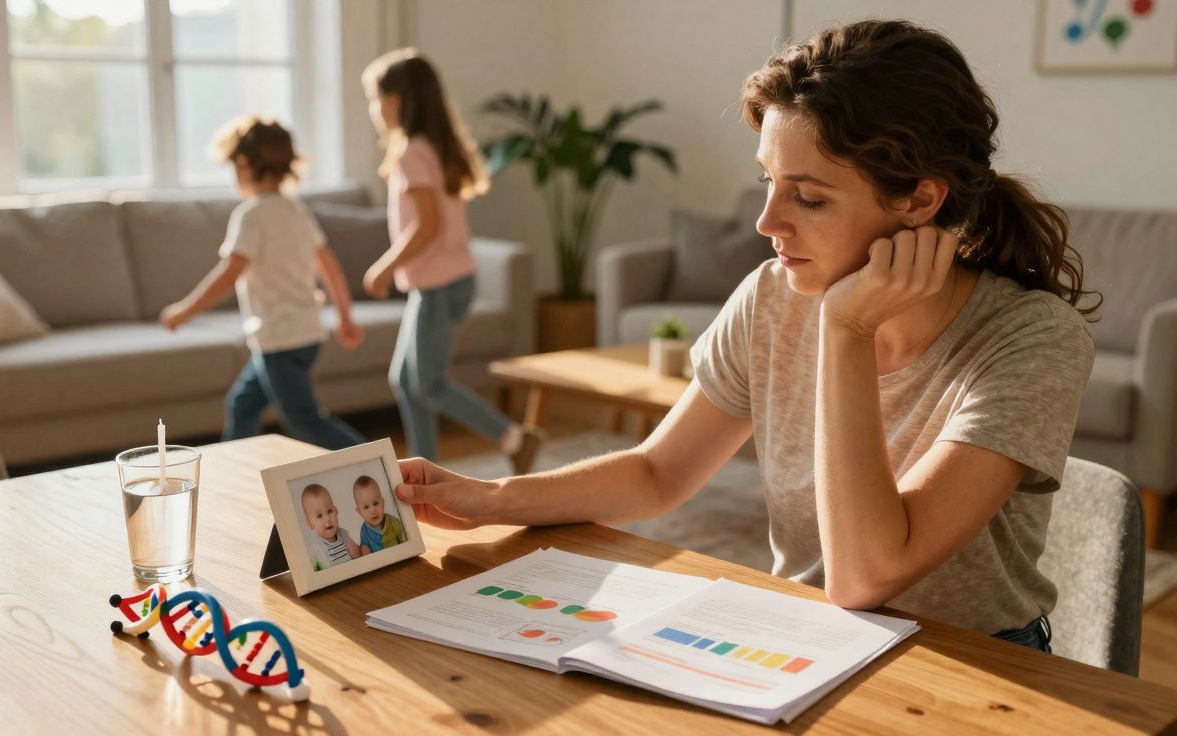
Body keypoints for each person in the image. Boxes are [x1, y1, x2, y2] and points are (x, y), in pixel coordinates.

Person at [388, 20, 1099, 653]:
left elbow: (866, 574)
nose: (766, 223)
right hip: (800, 642)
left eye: (810, 197)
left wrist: (846, 329)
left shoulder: (1030, 340)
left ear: (920, 200)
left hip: (976, 664)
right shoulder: (770, 297)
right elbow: (658, 472)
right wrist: (493, 497)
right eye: (767, 181)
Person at [361, 48, 542, 472]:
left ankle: (515, 438)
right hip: (445, 281)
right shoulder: (433, 147)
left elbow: (427, 227)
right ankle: (427, 466)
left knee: (429, 382)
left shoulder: (411, 153)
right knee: (405, 381)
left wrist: (384, 266)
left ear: (396, 102)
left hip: (440, 285)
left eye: (375, 99)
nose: (373, 109)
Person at [160, 116, 366, 450]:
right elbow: (330, 266)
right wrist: (345, 316)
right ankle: (234, 472)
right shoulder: (295, 210)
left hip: (280, 341)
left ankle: (379, 468)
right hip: (305, 335)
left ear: (243, 165)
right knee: (242, 405)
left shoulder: (251, 216)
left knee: (304, 420)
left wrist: (184, 311)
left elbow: (229, 274)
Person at [300, 483, 362, 569]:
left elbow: (358, 556)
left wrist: (357, 550)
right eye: (319, 516)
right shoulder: (315, 549)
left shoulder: (343, 534)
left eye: (329, 511)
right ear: (310, 523)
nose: (327, 519)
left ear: (336, 511)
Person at [353, 474, 405, 554]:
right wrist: (364, 549)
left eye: (376, 503)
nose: (373, 510)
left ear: (382, 503)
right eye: (366, 507)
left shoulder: (392, 522)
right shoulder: (364, 531)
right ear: (359, 512)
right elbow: (365, 546)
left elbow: (403, 538)